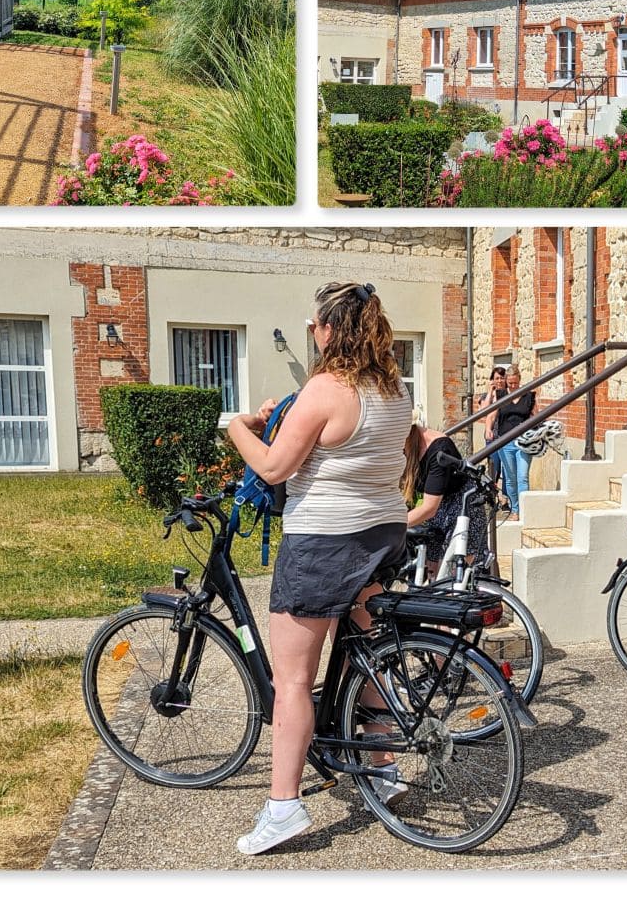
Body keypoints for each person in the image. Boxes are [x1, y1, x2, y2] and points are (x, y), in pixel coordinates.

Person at [226, 282, 412, 855]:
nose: (312, 333)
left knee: (293, 683)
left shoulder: (326, 387)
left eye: (315, 326)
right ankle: (382, 767)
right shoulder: (395, 388)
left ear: (331, 330)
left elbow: (278, 467)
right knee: (369, 653)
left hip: (323, 545)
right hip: (381, 534)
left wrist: (236, 428)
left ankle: (283, 806)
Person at [402, 424, 488, 570]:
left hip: (462, 506)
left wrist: (392, 526)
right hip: (439, 508)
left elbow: (429, 508)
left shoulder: (439, 448)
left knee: (449, 575)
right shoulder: (403, 447)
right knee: (431, 570)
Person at [491, 365, 535, 521]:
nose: (512, 386)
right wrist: (488, 428)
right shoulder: (500, 394)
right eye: (510, 383)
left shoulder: (528, 395)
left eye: (515, 383)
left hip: (524, 442)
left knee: (522, 476)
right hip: (505, 441)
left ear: (519, 380)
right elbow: (491, 413)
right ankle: (515, 509)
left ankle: (525, 510)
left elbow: (534, 415)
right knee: (510, 478)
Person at [477, 367, 505, 490]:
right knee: (494, 466)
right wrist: (491, 392)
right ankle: (490, 493)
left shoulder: (508, 394)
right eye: (496, 378)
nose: (499, 381)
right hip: (492, 435)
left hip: (505, 434)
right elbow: (483, 411)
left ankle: (505, 497)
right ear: (492, 380)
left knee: (506, 468)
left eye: (502, 378)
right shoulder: (487, 396)